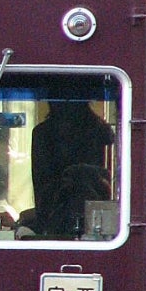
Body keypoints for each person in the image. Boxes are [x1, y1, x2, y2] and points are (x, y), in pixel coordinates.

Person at [31, 98, 114, 237]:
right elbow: (42, 186)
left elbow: (42, 185)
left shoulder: (101, 132)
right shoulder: (101, 130)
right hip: (61, 213)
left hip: (93, 215)